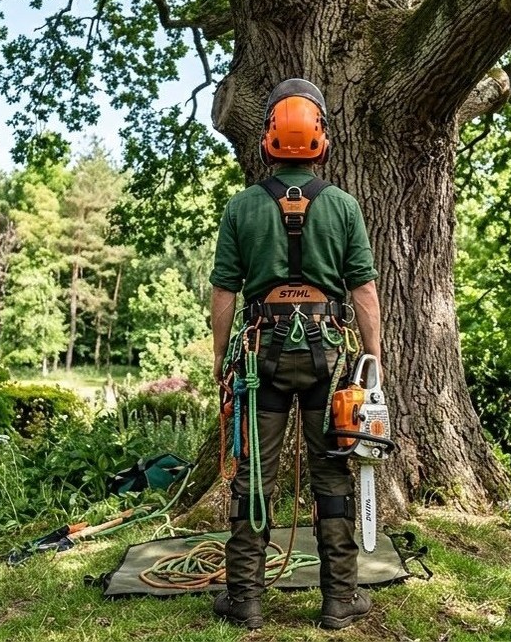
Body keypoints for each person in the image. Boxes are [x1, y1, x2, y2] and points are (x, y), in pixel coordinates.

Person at [208, 78, 383, 630]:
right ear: (321, 142)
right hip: (327, 361)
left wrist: (219, 358)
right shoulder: (344, 207)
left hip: (261, 356)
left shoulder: (241, 208)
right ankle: (339, 599)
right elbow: (364, 292)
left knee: (253, 478)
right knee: (332, 475)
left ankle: (246, 600)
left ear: (266, 142)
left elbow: (223, 293)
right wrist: (372, 361)